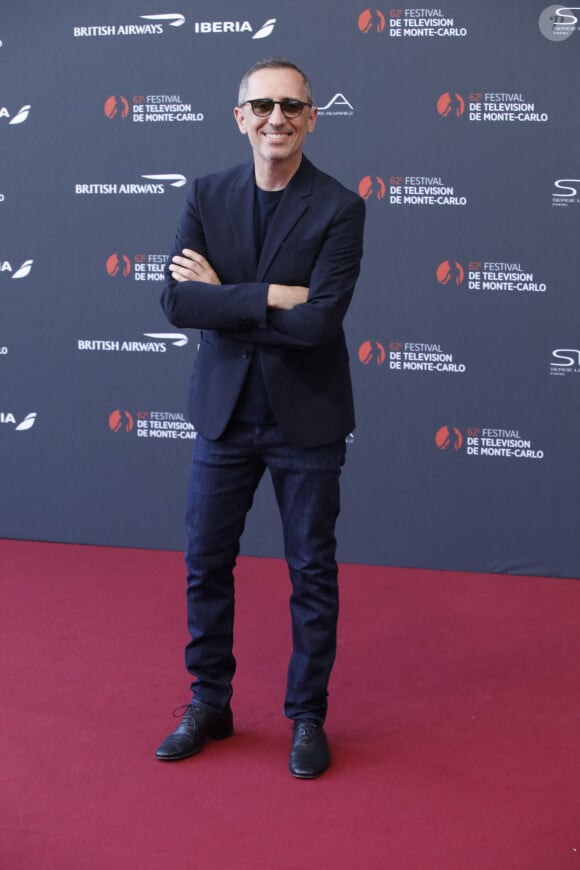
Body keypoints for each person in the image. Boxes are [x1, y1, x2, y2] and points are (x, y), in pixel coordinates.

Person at [156, 58, 365, 778]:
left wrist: (231, 296)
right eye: (263, 105)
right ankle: (208, 702)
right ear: (240, 116)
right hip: (223, 418)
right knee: (205, 565)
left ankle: (307, 715)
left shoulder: (340, 207)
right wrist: (275, 293)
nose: (277, 117)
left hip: (307, 421)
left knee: (311, 571)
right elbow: (179, 305)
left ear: (312, 118)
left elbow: (319, 326)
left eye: (292, 106)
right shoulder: (206, 196)